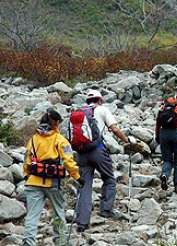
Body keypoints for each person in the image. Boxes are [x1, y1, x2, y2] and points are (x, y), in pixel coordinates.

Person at [74, 90, 134, 232]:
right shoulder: (102, 109)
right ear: (100, 100)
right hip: (98, 151)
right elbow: (114, 128)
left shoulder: (79, 112)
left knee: (84, 185)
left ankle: (82, 222)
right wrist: (127, 140)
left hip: (81, 153)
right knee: (109, 179)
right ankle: (105, 209)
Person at [23, 108, 83, 246]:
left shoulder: (33, 139)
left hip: (33, 182)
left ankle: (28, 242)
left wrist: (27, 175)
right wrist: (77, 177)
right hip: (53, 183)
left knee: (32, 216)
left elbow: (27, 159)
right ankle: (61, 241)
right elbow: (68, 161)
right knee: (58, 213)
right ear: (56, 123)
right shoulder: (60, 140)